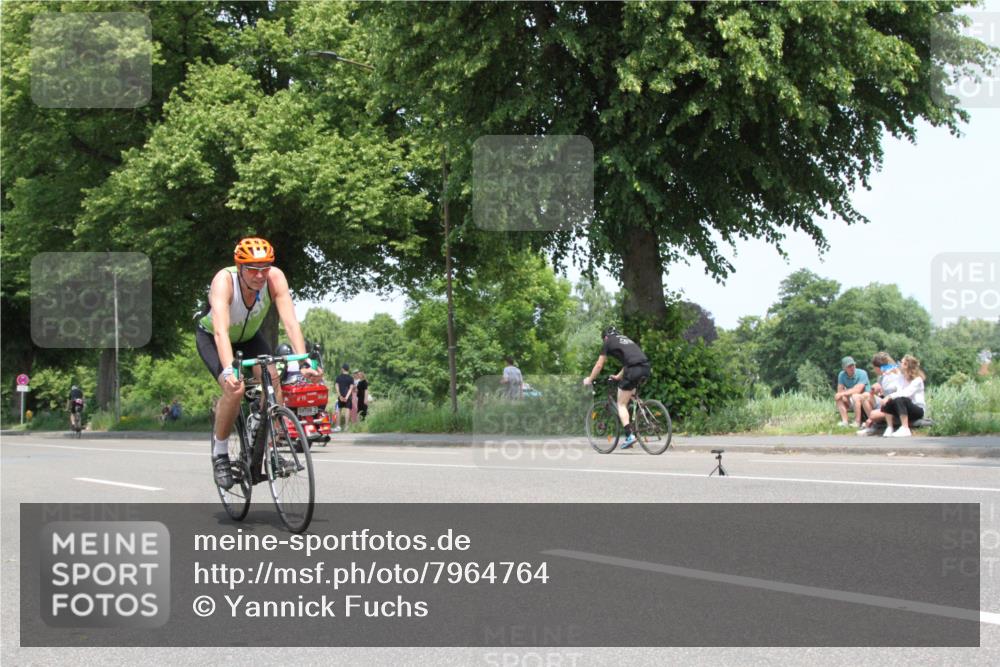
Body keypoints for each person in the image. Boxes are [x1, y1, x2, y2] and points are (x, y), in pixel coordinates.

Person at [196, 237, 323, 489]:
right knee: (235, 389)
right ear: (239, 267)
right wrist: (230, 368)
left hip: (250, 337)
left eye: (265, 268)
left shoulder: (275, 278)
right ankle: (220, 454)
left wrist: (304, 360)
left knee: (273, 381)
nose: (260, 275)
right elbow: (221, 332)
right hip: (214, 337)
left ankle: (270, 444)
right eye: (253, 269)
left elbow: (290, 322)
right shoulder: (224, 281)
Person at [583, 326, 651, 449]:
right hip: (645, 368)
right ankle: (643, 412)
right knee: (631, 394)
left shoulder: (608, 341)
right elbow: (629, 362)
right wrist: (618, 376)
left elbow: (599, 365)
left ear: (605, 337)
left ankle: (630, 436)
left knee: (621, 404)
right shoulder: (626, 339)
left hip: (633, 370)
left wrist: (590, 379)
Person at [857, 352, 904, 436]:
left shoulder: (892, 375)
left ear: (878, 368)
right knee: (864, 396)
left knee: (873, 414)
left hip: (893, 405)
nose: (874, 370)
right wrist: (872, 392)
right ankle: (872, 426)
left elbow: (892, 397)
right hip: (885, 402)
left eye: (874, 368)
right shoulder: (882, 376)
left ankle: (873, 424)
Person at [881, 354, 927, 438]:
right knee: (888, 401)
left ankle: (905, 428)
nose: (899, 364)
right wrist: (887, 375)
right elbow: (887, 389)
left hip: (917, 409)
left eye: (901, 362)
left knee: (900, 399)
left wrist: (890, 396)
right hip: (903, 407)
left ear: (906, 365)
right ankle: (889, 427)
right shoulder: (900, 377)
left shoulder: (917, 380)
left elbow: (906, 393)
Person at [834, 356, 870, 428]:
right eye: (849, 366)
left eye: (853, 365)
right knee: (838, 397)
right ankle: (845, 421)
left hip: (865, 398)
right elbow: (840, 391)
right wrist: (842, 394)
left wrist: (845, 392)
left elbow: (858, 390)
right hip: (851, 398)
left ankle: (857, 422)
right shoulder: (841, 375)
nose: (852, 367)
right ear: (844, 368)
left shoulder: (862, 373)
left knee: (855, 396)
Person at [333, 363, 354, 432]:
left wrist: (340, 396)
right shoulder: (351, 378)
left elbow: (336, 387)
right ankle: (346, 427)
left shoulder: (338, 377)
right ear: (348, 369)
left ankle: (338, 426)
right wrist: (347, 397)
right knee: (347, 411)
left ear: (342, 369)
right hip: (348, 397)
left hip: (341, 396)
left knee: (339, 410)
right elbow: (351, 388)